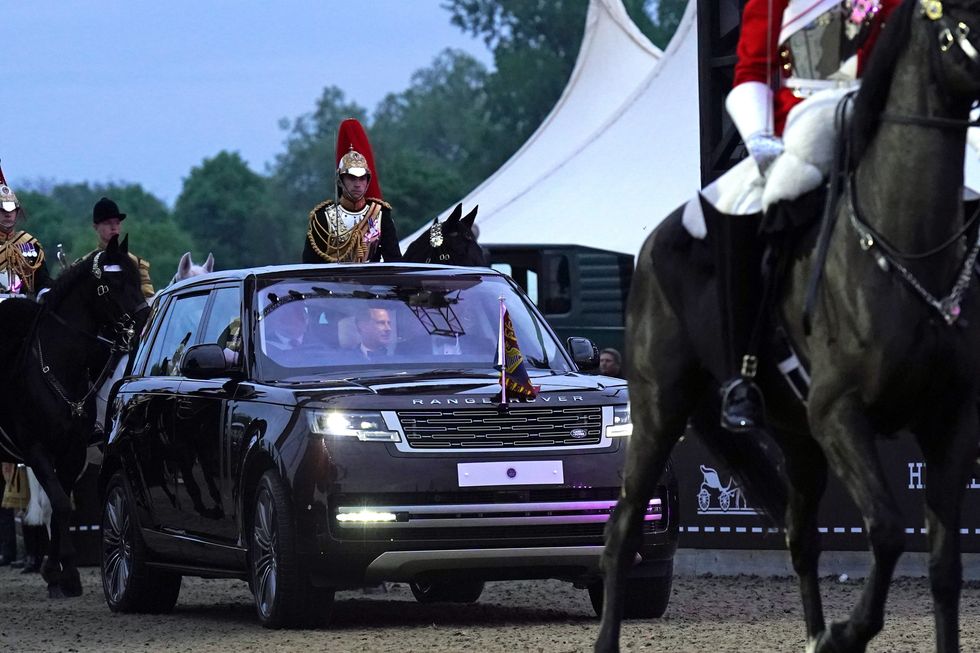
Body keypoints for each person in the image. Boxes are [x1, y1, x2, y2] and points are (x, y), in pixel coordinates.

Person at [695, 0, 900, 432]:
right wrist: (759, 136)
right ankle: (744, 371)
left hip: (887, 123)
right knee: (742, 206)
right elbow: (751, 72)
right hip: (804, 125)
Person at [304, 118, 402, 263]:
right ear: (340, 180)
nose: (357, 184)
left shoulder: (380, 215)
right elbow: (310, 268)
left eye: (362, 178)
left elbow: (395, 263)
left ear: (368, 180)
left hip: (371, 284)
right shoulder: (322, 219)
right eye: (352, 178)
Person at [0, 167, 52, 298]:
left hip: (21, 309)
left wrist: (46, 295)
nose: (8, 214)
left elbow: (42, 282)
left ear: (16, 213)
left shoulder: (30, 244)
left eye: (11, 210)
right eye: (3, 210)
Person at [90, 196, 155, 298]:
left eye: (117, 222)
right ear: (95, 227)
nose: (113, 227)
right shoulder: (86, 264)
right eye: (107, 223)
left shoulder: (137, 264)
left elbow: (148, 300)